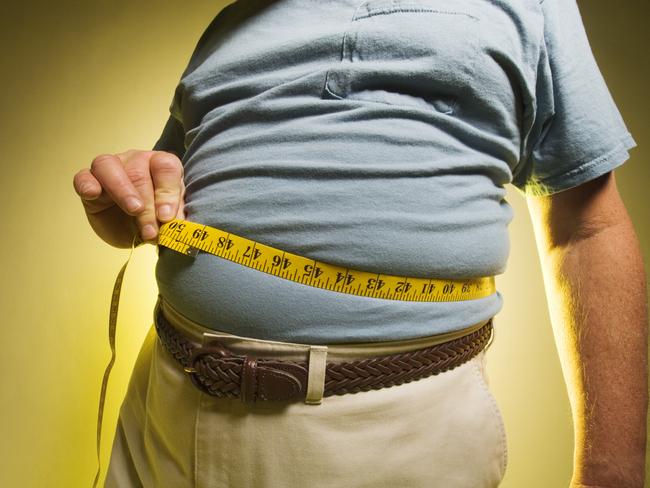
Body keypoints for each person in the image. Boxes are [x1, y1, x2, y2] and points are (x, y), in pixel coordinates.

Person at [73, 0, 648, 486]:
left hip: (396, 435)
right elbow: (160, 205)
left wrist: (610, 472)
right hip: (163, 410)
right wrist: (123, 199)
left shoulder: (528, 8)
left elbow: (587, 227)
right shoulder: (232, 22)